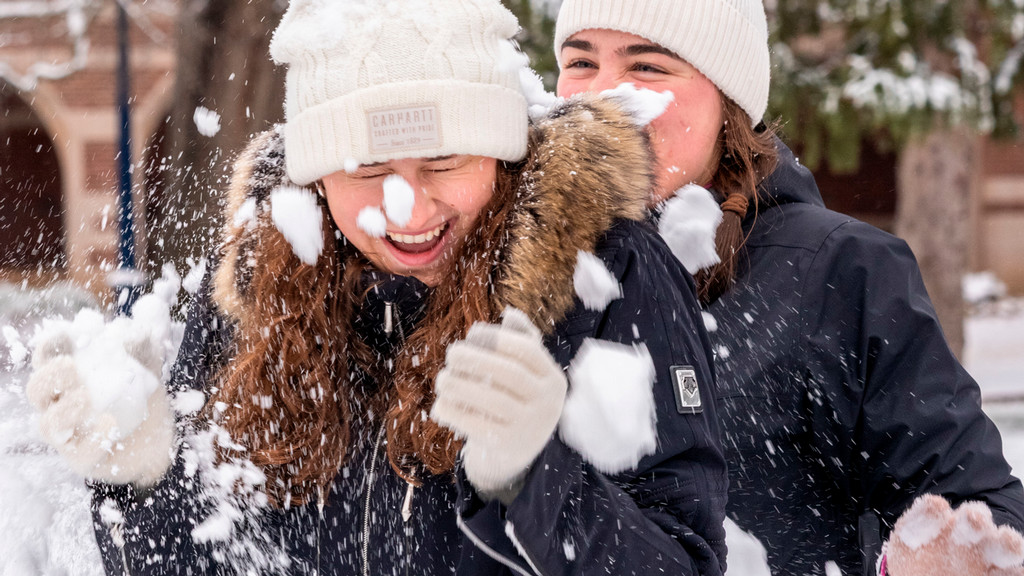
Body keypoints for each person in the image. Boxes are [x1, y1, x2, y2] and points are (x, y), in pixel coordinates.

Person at [26, 0, 729, 574]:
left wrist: (533, 478)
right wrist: (144, 482)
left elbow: (685, 563)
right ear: (316, 178)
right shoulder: (253, 290)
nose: (408, 210)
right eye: (364, 172)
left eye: (444, 162)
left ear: (502, 155)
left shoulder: (607, 277)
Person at [552, 1, 1024, 575]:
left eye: (647, 66)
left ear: (728, 102)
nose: (604, 94)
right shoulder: (510, 273)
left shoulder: (840, 271)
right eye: (580, 61)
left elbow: (971, 502)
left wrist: (950, 555)